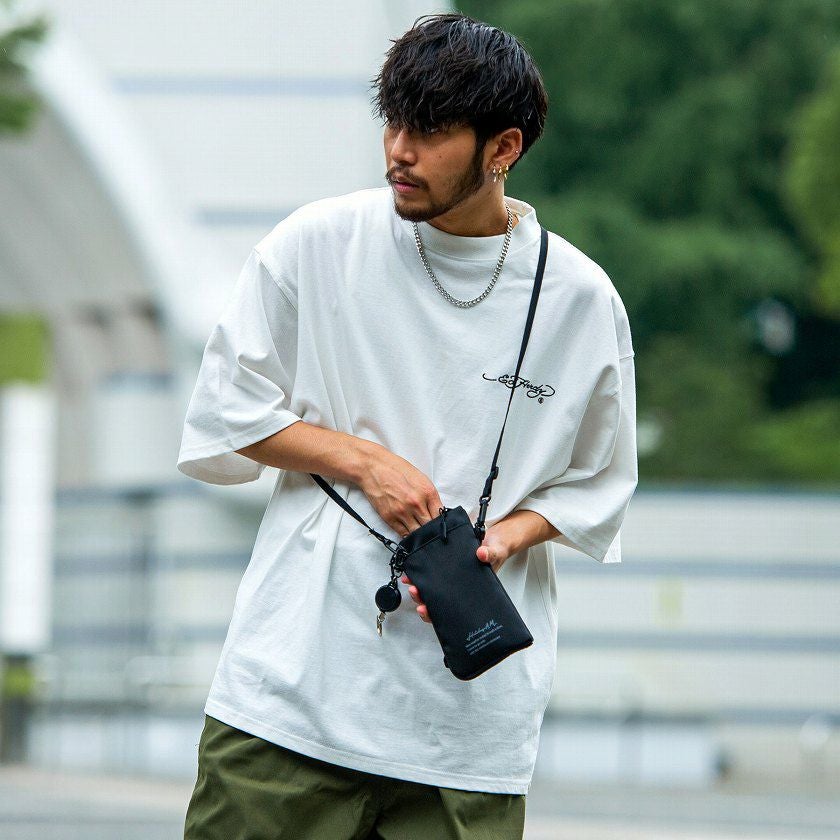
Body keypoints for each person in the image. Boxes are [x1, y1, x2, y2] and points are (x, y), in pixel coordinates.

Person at [177, 12, 637, 840]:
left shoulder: (579, 298)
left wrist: (505, 540)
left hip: (467, 734)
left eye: (429, 133)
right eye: (393, 123)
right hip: (290, 700)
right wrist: (361, 460)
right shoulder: (319, 243)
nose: (399, 151)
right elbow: (225, 411)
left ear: (503, 148)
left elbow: (600, 483)